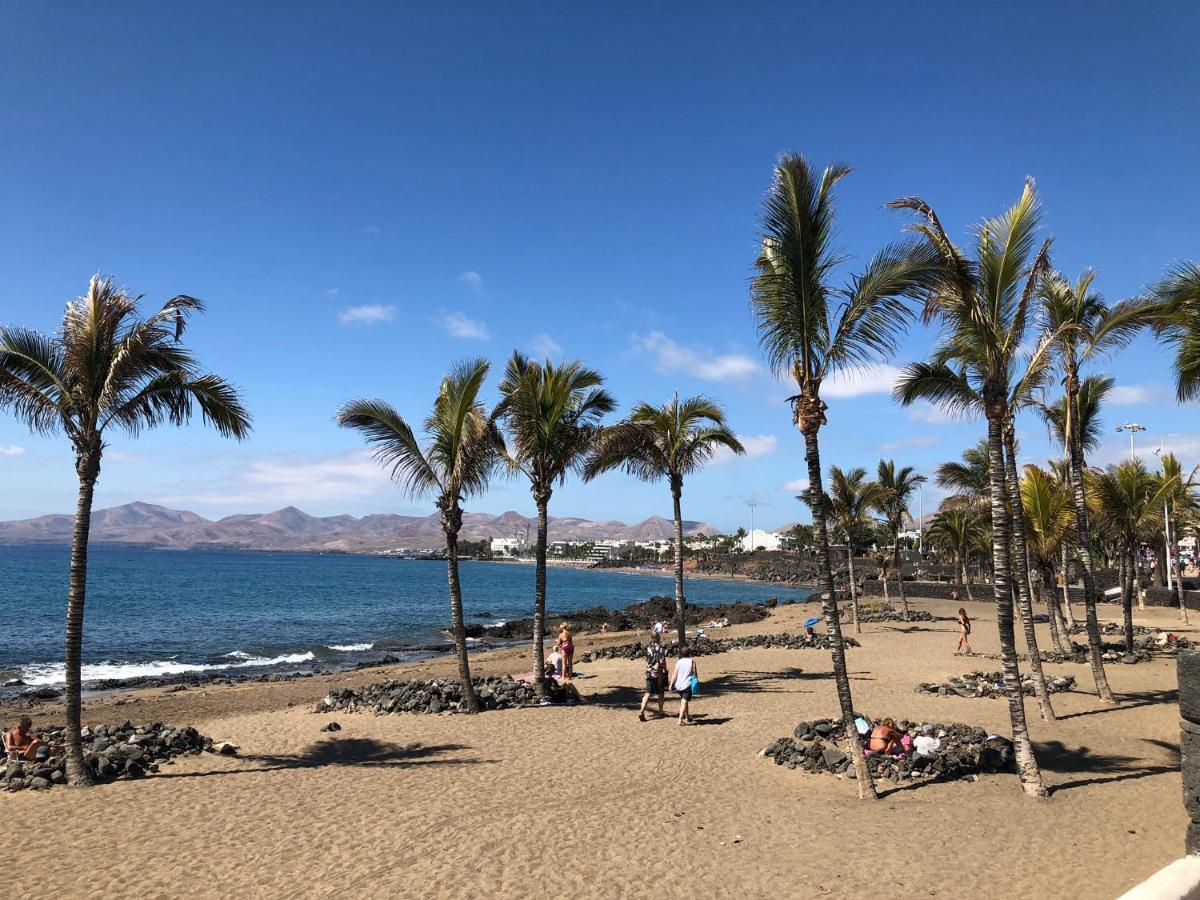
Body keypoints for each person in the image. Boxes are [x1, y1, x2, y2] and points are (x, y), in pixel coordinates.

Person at [639, 634, 668, 721]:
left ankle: (641, 711)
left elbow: (647, 659)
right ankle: (660, 712)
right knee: (661, 693)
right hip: (657, 673)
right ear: (658, 638)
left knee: (648, 692)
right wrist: (665, 670)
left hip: (648, 672)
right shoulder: (660, 648)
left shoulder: (648, 648)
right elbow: (662, 661)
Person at [669, 647, 697, 725]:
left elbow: (675, 673)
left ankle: (687, 716)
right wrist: (696, 682)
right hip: (687, 684)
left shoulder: (679, 662)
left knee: (685, 700)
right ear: (689, 653)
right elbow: (695, 673)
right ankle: (680, 720)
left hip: (679, 685)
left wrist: (671, 684)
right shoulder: (692, 661)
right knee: (684, 701)